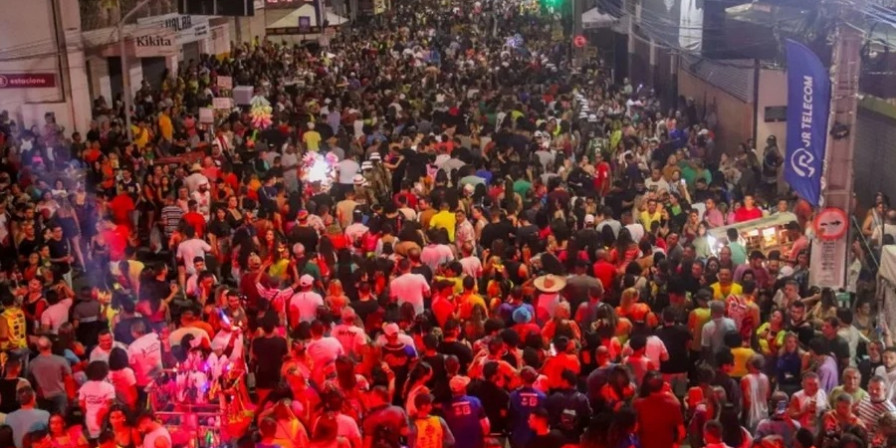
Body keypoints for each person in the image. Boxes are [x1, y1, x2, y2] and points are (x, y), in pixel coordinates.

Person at [77, 361, 115, 440]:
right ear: (105, 372)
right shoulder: (109, 387)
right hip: (103, 418)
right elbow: (109, 404)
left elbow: (81, 404)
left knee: (93, 439)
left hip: (89, 417)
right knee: (104, 439)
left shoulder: (85, 386)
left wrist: (87, 412)